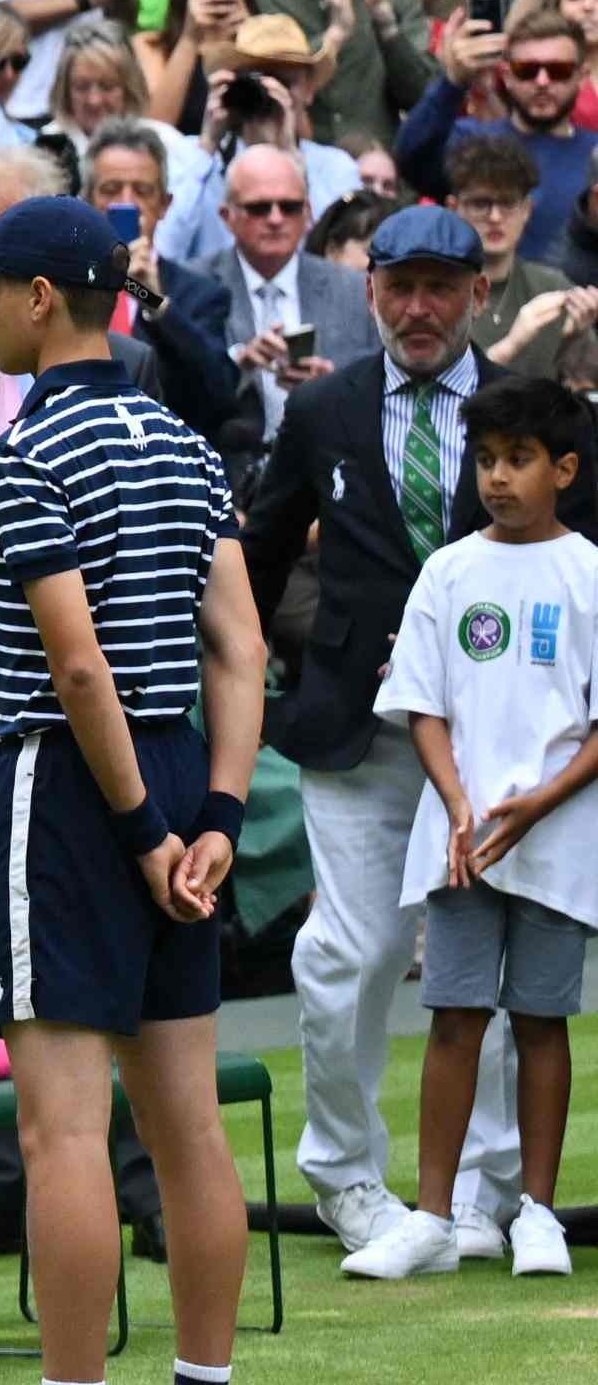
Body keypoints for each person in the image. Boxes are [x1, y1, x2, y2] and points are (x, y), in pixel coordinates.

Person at [0, 191, 266, 1385]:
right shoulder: (182, 441)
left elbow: (69, 662)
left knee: (61, 1124)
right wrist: (214, 821)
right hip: (183, 777)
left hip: (74, 790)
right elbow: (240, 648)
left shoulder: (25, 453)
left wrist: (139, 832)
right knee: (183, 1122)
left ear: (42, 300)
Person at [248, 200, 536, 1261]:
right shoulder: (323, 414)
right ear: (368, 289)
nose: (420, 308)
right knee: (349, 951)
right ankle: (346, 1177)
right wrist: (265, 679)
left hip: (495, 740)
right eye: (400, 286)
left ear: (479, 291)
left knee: (494, 962)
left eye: (442, 287)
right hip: (356, 733)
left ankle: (485, 1187)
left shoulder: (530, 409)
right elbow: (259, 552)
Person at [343, 371, 598, 1282]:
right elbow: (421, 703)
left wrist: (538, 805)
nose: (499, 477)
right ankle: (434, 1215)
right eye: (487, 460)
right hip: (459, 844)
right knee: (452, 1016)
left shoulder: (589, 574)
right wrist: (457, 801)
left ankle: (536, 1211)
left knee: (540, 1021)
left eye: (520, 460)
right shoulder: (447, 571)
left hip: (557, 845)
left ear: (563, 468)